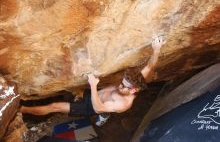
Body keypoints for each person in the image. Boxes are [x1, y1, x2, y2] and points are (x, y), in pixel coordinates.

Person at [20, 36, 165, 126]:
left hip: (92, 106)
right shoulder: (136, 81)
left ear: (133, 90)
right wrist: (156, 49)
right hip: (95, 93)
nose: (119, 85)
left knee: (54, 106)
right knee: (71, 90)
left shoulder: (123, 104)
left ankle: (23, 109)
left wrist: (94, 86)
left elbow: (99, 106)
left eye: (123, 86)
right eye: (122, 82)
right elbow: (150, 66)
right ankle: (104, 112)